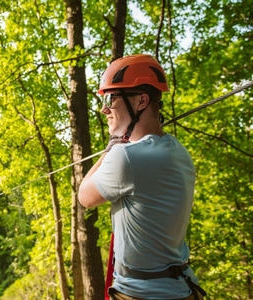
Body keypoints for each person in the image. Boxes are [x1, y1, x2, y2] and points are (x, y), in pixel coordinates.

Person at [78, 54, 206, 300]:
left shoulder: (126, 158)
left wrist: (112, 146)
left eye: (111, 98)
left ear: (141, 101)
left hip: (141, 294)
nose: (104, 108)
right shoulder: (178, 151)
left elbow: (85, 196)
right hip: (182, 289)